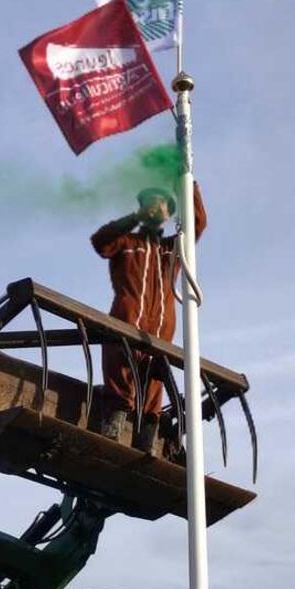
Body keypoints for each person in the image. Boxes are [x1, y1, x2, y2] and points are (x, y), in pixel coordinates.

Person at [90, 183, 207, 451]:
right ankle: (115, 420)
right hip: (128, 316)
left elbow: (197, 225)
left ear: (169, 213)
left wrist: (189, 185)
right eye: (150, 202)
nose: (156, 206)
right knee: (119, 363)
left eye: (162, 202)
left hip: (162, 325)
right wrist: (132, 220)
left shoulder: (172, 249)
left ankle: (148, 432)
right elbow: (100, 242)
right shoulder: (127, 242)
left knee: (154, 377)